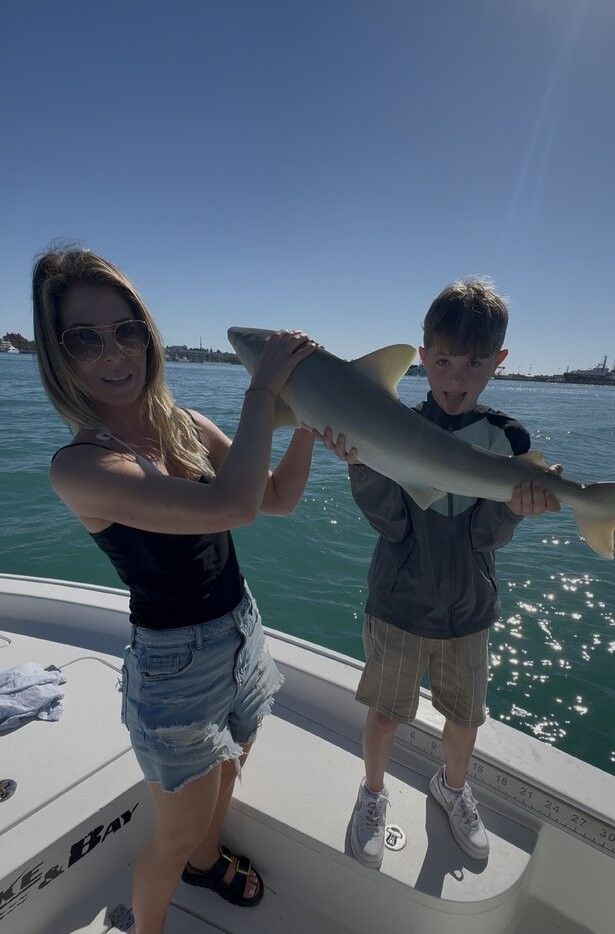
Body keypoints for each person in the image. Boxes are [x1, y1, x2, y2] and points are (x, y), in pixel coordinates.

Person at [32, 247, 317, 933]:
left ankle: (208, 860)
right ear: (58, 355)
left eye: (126, 328)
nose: (114, 351)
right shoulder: (82, 466)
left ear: (148, 332)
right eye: (85, 338)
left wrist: (307, 421)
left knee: (226, 774)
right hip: (174, 669)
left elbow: (273, 497)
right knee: (170, 833)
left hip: (239, 631)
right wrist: (260, 391)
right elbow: (231, 508)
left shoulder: (183, 425)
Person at [318, 279, 561, 866]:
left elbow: (486, 539)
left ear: (498, 362)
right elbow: (391, 524)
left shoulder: (509, 439)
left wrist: (513, 508)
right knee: (384, 713)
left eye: (475, 364)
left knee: (464, 717)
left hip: (471, 609)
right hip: (398, 604)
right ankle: (372, 794)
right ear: (421, 356)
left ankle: (452, 788)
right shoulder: (389, 421)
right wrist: (363, 466)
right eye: (444, 360)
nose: (456, 377)